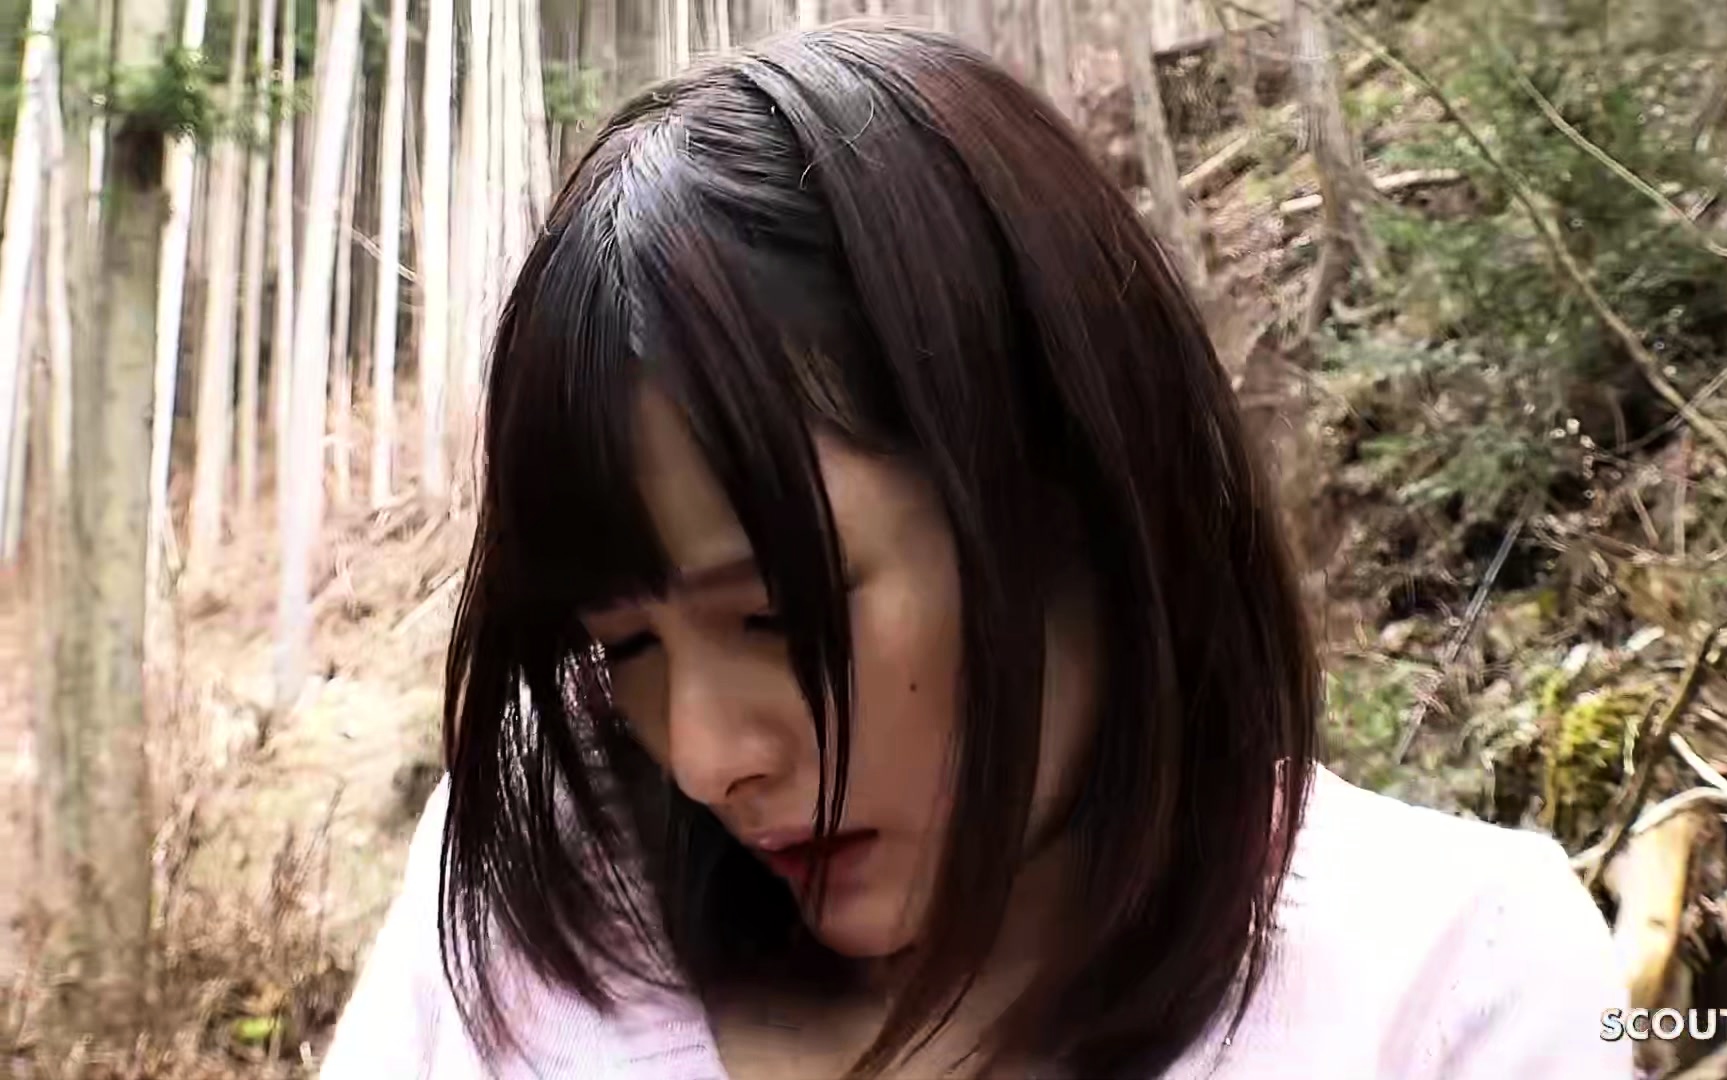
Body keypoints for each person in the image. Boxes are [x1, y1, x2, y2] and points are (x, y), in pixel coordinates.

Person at [322, 23, 1630, 1080]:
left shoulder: (1453, 986)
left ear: (1068, 494)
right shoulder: (542, 875)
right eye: (626, 647)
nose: (711, 758)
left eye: (780, 615)